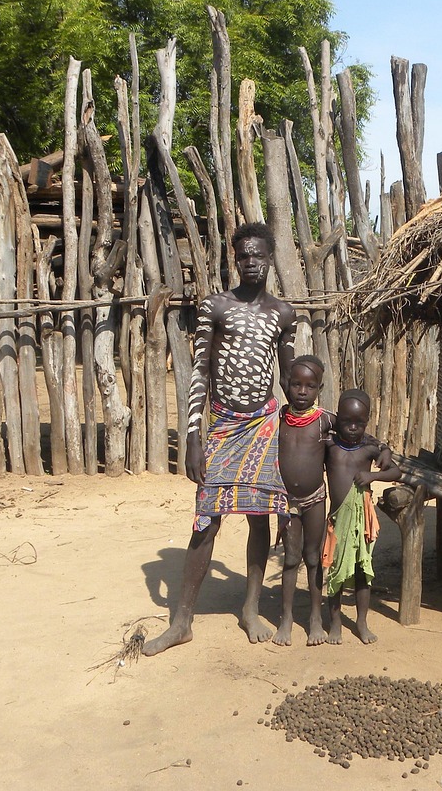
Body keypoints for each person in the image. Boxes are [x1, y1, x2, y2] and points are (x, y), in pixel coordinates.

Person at [143, 223, 296, 656]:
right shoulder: (216, 307)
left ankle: (250, 608)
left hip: (263, 425)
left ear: (270, 258)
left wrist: (310, 424)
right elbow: (200, 372)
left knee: (258, 516)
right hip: (224, 426)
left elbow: (288, 378)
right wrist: (194, 437)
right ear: (236, 259)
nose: (251, 263)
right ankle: (181, 620)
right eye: (244, 256)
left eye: (258, 256)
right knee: (206, 519)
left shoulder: (283, 314)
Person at [323, 389, 400, 645]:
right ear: (337, 419)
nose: (353, 428)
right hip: (337, 519)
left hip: (361, 522)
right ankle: (335, 624)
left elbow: (396, 472)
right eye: (346, 422)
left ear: (367, 421)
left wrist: (373, 476)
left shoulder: (368, 449)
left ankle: (361, 622)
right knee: (335, 572)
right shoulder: (330, 445)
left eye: (360, 423)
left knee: (361, 571)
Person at [274, 354, 334, 647]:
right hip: (286, 501)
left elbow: (355, 437)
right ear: (287, 385)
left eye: (309, 386)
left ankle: (315, 618)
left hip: (315, 498)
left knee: (313, 558)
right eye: (296, 384)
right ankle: (285, 618)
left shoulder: (326, 422)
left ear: (319, 387)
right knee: (290, 559)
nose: (301, 391)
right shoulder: (278, 419)